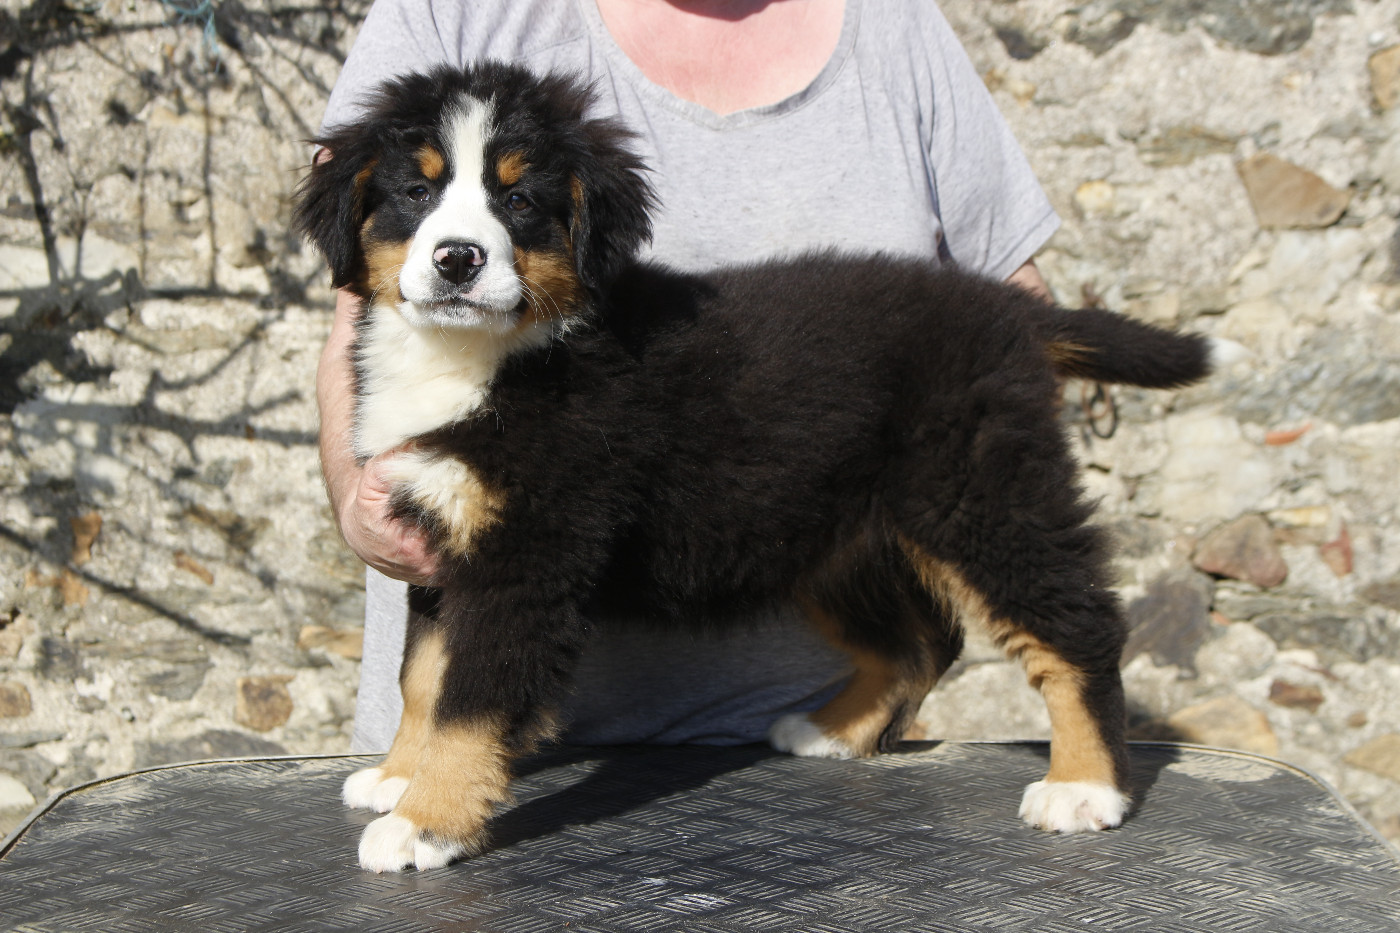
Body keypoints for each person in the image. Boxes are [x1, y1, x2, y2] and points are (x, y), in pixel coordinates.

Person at [315, 0, 1059, 754]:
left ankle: (897, 674)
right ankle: (451, 750)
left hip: (792, 753)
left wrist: (982, 477)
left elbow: (1006, 313)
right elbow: (362, 289)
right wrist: (357, 498)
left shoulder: (896, 25)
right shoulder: (457, 11)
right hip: (467, 744)